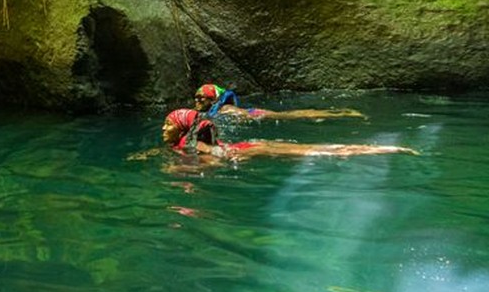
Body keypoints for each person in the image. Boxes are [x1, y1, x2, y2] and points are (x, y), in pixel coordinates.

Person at [161, 109, 417, 172]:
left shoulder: (193, 145)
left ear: (182, 129)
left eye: (168, 124)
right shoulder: (186, 143)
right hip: (249, 146)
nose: (164, 128)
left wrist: (179, 169)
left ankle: (388, 149)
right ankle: (388, 148)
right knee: (314, 149)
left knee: (316, 152)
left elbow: (215, 161)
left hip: (249, 151)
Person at [192, 83, 365, 122]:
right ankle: (339, 112)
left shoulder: (225, 109)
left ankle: (341, 113)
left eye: (202, 97)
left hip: (256, 114)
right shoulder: (213, 110)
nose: (197, 100)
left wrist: (248, 118)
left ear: (213, 99)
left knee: (289, 116)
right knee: (290, 115)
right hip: (254, 113)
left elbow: (243, 116)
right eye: (196, 97)